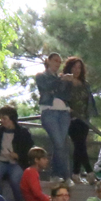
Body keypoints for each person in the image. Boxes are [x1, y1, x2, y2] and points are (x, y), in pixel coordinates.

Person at [35, 53, 73, 182]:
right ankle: (66, 175)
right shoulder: (41, 76)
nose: (58, 63)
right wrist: (61, 80)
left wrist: (67, 82)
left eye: (59, 61)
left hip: (63, 113)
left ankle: (55, 175)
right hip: (49, 112)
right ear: (48, 61)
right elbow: (47, 87)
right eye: (55, 60)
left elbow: (67, 95)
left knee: (61, 144)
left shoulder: (61, 78)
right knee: (58, 143)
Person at [62, 57, 98, 184]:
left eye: (79, 67)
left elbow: (89, 101)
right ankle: (90, 172)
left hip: (84, 119)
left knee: (80, 145)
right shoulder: (65, 81)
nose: (77, 70)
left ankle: (76, 173)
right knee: (79, 144)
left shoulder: (85, 84)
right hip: (71, 118)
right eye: (74, 67)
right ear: (69, 67)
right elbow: (61, 98)